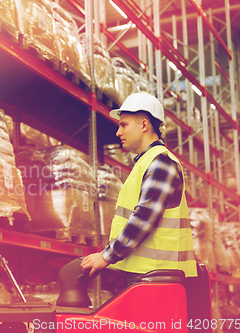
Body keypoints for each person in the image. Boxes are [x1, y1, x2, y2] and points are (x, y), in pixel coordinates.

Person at [81, 92, 197, 285]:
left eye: (123, 125)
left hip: (159, 278)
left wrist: (107, 256)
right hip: (149, 276)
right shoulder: (147, 162)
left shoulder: (161, 162)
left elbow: (144, 217)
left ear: (144, 125)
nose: (118, 132)